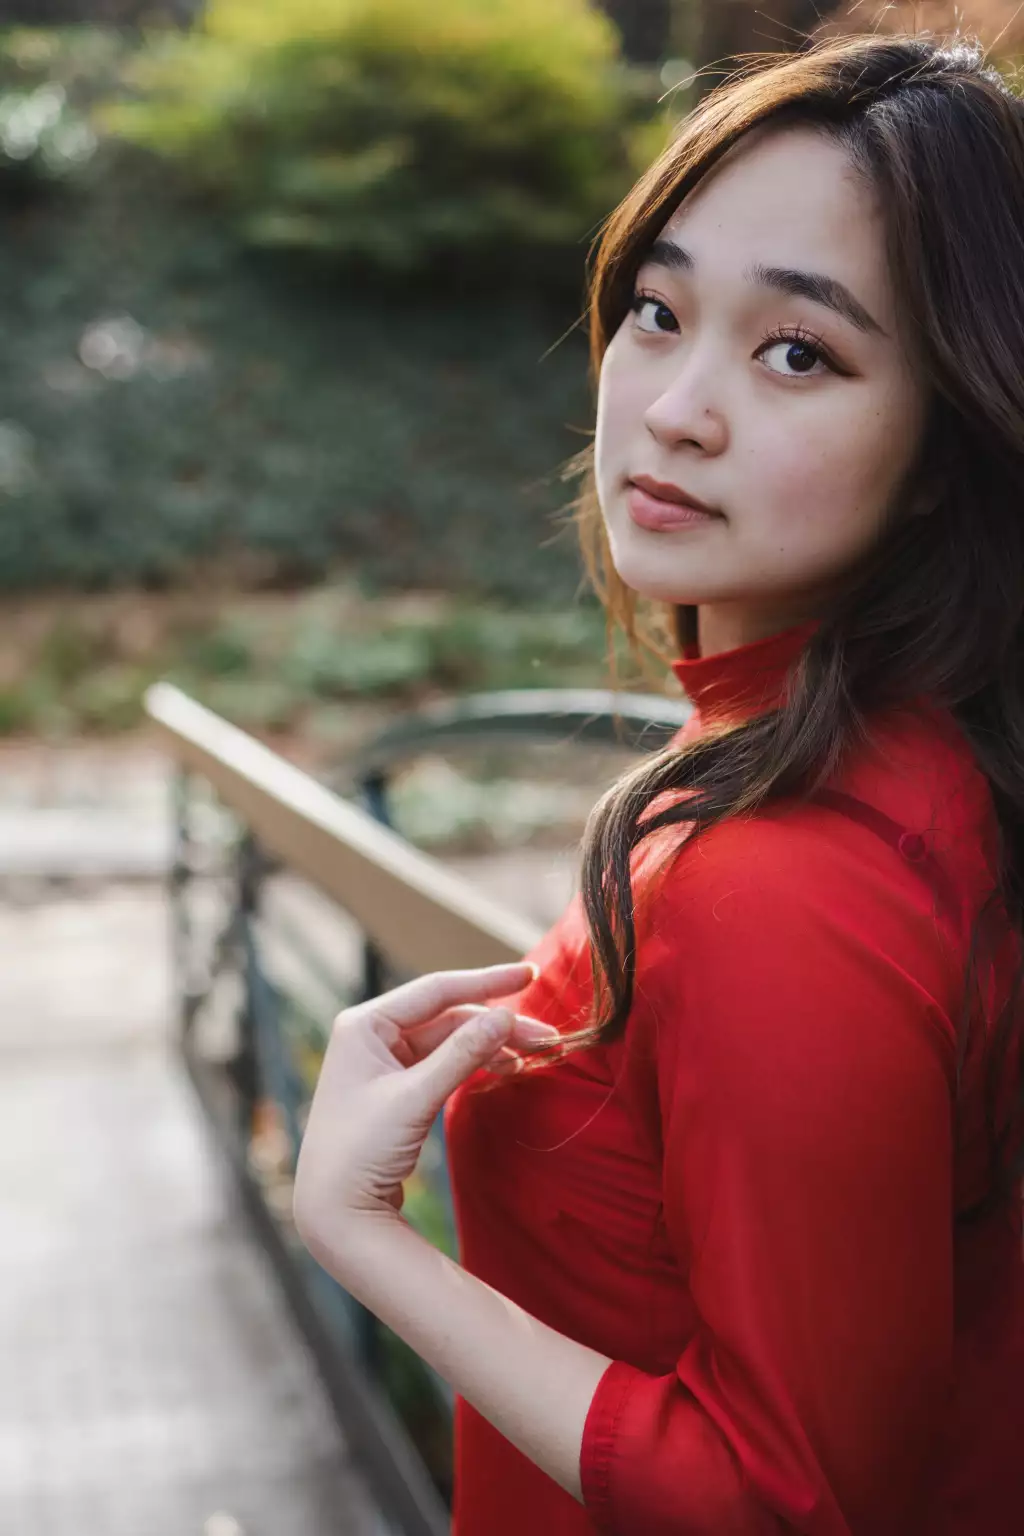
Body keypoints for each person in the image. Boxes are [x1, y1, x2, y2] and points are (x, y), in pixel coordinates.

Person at [291, 31, 1024, 1535]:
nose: (678, 406)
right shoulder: (918, 762)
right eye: (658, 310)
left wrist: (366, 1240)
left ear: (948, 441)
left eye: (798, 351)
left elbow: (789, 1500)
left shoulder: (786, 873)